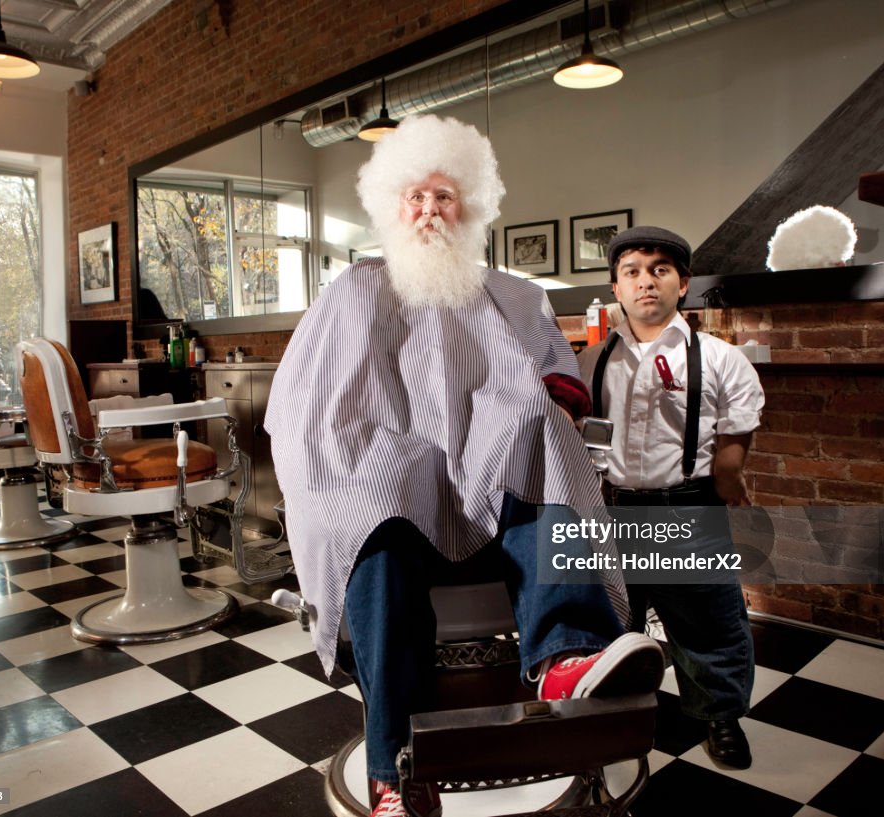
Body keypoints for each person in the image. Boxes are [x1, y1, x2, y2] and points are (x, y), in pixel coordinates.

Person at [265, 115, 663, 817]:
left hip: (494, 491)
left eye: (444, 196)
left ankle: (565, 658)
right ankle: (396, 770)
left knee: (536, 428)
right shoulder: (351, 292)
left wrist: (549, 415)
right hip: (394, 499)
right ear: (393, 207)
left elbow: (557, 382)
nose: (429, 210)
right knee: (375, 504)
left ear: (470, 206)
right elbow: (303, 408)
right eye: (415, 197)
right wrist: (353, 463)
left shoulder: (513, 294)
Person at [577, 225, 765, 770]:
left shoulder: (720, 358)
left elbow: (736, 429)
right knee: (612, 622)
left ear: (682, 284)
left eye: (660, 270)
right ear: (616, 288)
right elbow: (584, 433)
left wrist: (729, 480)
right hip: (612, 510)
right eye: (631, 272)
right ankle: (611, 714)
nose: (646, 282)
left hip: (686, 506)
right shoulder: (593, 363)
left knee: (708, 620)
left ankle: (718, 716)